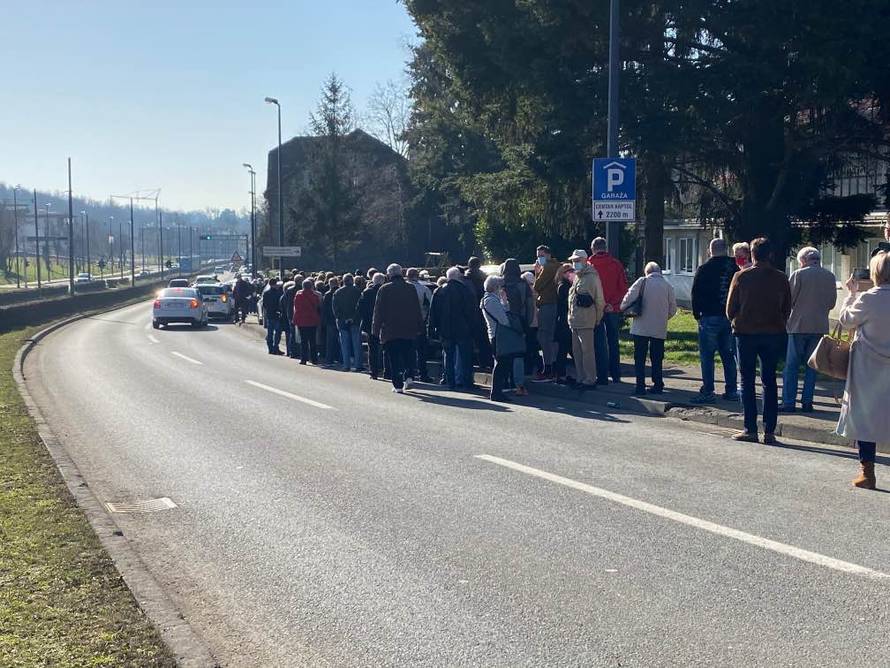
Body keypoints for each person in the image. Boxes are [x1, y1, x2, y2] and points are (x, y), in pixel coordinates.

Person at [725, 237, 792, 444]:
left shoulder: (741, 276)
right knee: (769, 381)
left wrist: (737, 318)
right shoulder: (780, 278)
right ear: (770, 254)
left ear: (752, 255)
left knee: (747, 380)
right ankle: (769, 431)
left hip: (745, 333)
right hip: (772, 332)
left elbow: (729, 309)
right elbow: (787, 307)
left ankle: (750, 428)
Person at [836, 251, 890, 490]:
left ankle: (867, 472)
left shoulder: (870, 298)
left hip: (868, 366)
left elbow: (846, 320)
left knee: (865, 417)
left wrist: (851, 294)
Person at [780, 247, 838, 413]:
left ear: (803, 260)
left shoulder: (798, 275)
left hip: (798, 325)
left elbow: (788, 301)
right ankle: (807, 402)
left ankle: (789, 402)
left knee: (791, 366)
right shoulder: (830, 277)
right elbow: (832, 303)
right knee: (812, 366)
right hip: (819, 326)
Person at [690, 238, 740, 404]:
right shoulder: (734, 267)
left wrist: (697, 315)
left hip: (709, 316)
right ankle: (732, 390)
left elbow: (695, 293)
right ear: (726, 249)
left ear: (710, 250)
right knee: (728, 355)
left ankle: (709, 391)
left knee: (707, 356)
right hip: (730, 317)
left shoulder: (704, 269)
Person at [621, 262, 677, 395]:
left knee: (639, 357)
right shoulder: (667, 286)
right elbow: (673, 309)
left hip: (641, 326)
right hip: (659, 327)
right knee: (657, 357)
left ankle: (640, 385)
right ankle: (658, 384)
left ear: (647, 272)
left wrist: (624, 308)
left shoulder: (642, 282)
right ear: (660, 272)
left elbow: (627, 300)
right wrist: (663, 317)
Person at [372, 264, 424, 393]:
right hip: (408, 327)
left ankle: (398, 385)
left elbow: (378, 311)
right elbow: (416, 308)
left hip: (390, 329)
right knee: (408, 354)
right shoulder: (410, 288)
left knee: (394, 358)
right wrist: (420, 326)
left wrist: (375, 330)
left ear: (389, 274)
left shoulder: (384, 289)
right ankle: (409, 375)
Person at [429, 266, 477, 390]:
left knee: (448, 356)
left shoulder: (439, 291)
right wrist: (473, 327)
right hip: (463, 329)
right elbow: (471, 312)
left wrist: (432, 329)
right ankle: (467, 382)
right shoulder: (465, 291)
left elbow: (433, 313)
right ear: (458, 277)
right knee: (465, 357)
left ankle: (450, 382)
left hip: (445, 329)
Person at [588, 237, 628, 385]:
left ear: (593, 249)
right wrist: (612, 304)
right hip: (612, 308)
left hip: (595, 308)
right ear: (606, 248)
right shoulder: (616, 265)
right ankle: (616, 374)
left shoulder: (590, 266)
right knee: (613, 341)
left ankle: (602, 375)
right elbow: (623, 288)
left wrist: (599, 303)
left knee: (598, 343)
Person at [567, 250, 605, 389]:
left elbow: (600, 300)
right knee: (576, 352)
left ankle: (590, 379)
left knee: (587, 352)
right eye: (573, 260)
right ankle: (580, 377)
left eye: (577, 260)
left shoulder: (592, 277)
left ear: (585, 260)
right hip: (574, 321)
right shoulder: (577, 277)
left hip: (587, 320)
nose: (574, 263)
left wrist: (597, 319)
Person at [500, 258, 535, 396]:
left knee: (503, 353)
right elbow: (530, 305)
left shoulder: (500, 283)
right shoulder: (523, 284)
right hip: (519, 321)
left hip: (503, 321)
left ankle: (504, 381)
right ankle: (519, 384)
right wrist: (528, 322)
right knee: (518, 354)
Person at [480, 275, 513, 402]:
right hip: (497, 335)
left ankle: (497, 391)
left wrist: (504, 301)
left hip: (496, 335)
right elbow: (504, 320)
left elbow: (504, 310)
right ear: (496, 287)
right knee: (501, 363)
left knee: (500, 362)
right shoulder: (491, 301)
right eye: (500, 286)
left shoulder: (491, 299)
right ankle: (496, 392)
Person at [532, 245, 560, 381]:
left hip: (547, 304)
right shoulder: (557, 265)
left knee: (544, 336)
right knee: (550, 336)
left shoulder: (548, 267)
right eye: (538, 256)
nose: (539, 258)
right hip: (552, 303)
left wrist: (537, 272)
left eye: (541, 255)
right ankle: (552, 366)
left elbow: (537, 286)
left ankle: (548, 367)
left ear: (548, 255)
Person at [466, 257, 493, 370]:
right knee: (486, 338)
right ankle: (488, 360)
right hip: (485, 309)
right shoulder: (484, 277)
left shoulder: (467, 278)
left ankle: (479, 362)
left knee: (474, 339)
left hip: (471, 311)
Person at [407, 267, 433, 382]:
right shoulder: (424, 289)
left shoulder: (403, 288)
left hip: (406, 323)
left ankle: (410, 374)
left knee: (408, 350)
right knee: (421, 351)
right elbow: (431, 305)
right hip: (420, 322)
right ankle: (423, 374)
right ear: (417, 276)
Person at [333, 274, 363, 372]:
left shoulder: (337, 292)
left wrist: (342, 318)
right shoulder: (357, 291)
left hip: (342, 321)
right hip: (355, 321)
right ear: (352, 281)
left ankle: (346, 365)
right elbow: (359, 308)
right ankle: (358, 364)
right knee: (356, 344)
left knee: (344, 344)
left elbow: (335, 309)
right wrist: (353, 318)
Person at [358, 272, 386, 380]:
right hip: (385, 323)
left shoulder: (367, 292)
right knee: (386, 348)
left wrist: (364, 320)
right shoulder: (386, 291)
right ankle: (386, 370)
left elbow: (360, 308)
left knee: (372, 349)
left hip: (370, 323)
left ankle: (373, 371)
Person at [553, 263, 574, 384]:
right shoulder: (564, 287)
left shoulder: (564, 285)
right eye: (568, 271)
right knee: (564, 349)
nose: (571, 272)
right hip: (564, 322)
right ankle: (560, 375)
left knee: (565, 349)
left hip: (564, 321)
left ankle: (560, 374)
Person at [293, 278, 321, 365]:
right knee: (312, 340)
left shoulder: (298, 296)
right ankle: (314, 359)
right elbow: (318, 307)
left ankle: (304, 359)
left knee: (304, 341)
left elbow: (296, 308)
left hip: (302, 320)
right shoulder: (315, 296)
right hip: (312, 320)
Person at [261, 277, 284, 355]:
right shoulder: (278, 293)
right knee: (277, 332)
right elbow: (280, 304)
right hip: (277, 315)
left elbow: (264, 305)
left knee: (270, 332)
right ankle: (275, 347)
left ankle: (270, 349)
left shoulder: (266, 293)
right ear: (275, 284)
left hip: (269, 315)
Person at [321, 277, 341, 367]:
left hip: (330, 321)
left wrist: (324, 320)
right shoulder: (340, 292)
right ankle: (341, 358)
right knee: (341, 341)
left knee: (330, 341)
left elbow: (324, 309)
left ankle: (329, 359)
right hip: (340, 319)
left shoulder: (328, 294)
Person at [280, 279, 298, 358]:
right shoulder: (285, 297)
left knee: (289, 335)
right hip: (288, 317)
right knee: (291, 335)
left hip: (286, 317)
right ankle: (291, 351)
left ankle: (289, 351)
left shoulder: (283, 297)